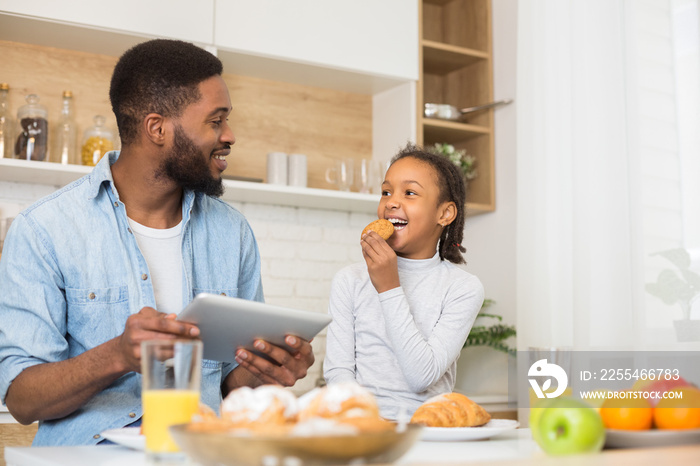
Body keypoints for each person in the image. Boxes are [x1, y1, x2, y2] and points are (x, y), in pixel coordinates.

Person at [0, 39, 314, 446]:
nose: (230, 136)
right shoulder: (44, 230)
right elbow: (21, 399)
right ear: (157, 128)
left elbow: (227, 393)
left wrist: (267, 369)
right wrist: (117, 355)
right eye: (215, 121)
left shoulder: (232, 233)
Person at [323, 144, 484, 420]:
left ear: (444, 214)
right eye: (386, 192)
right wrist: (363, 423)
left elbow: (421, 377)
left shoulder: (463, 288)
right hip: (364, 430)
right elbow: (338, 372)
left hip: (429, 434)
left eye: (409, 193)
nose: (391, 202)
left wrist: (388, 287)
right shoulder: (349, 280)